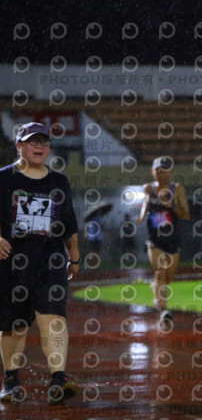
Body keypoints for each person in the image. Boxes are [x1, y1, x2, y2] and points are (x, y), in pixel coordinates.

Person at [0, 122, 80, 404]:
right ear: (19, 146)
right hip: (11, 265)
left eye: (44, 142)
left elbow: (69, 223)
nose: (40, 147)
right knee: (15, 326)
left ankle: (58, 378)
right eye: (33, 141)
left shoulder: (59, 181)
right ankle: (10, 379)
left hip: (50, 263)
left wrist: (74, 257)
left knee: (53, 318)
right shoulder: (3, 179)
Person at [136, 156, 190, 323]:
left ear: (170, 172)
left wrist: (171, 206)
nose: (161, 173)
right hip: (154, 239)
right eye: (158, 170)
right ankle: (164, 310)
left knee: (168, 276)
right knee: (160, 272)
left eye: (164, 170)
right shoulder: (148, 188)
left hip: (172, 239)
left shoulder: (177, 189)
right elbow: (146, 204)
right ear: (152, 171)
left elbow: (186, 215)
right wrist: (141, 215)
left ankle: (156, 287)